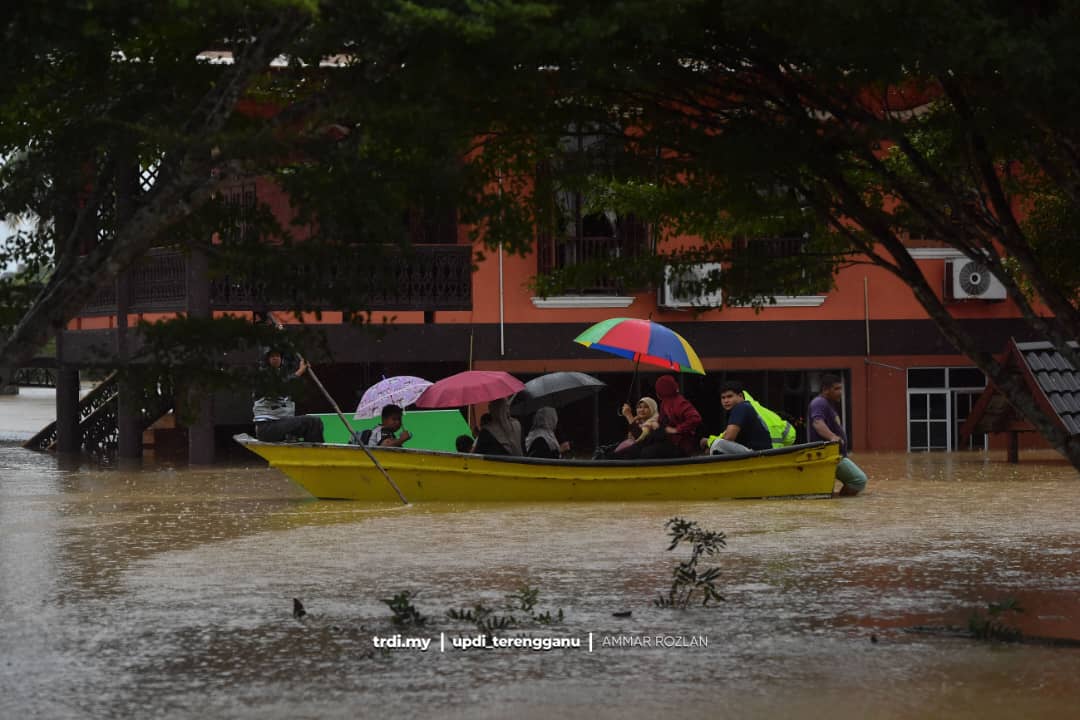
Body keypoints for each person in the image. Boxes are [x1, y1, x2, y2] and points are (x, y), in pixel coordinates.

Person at [807, 374, 868, 496]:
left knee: (827, 489)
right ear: (825, 389)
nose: (840, 392)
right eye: (836, 389)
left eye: (841, 388)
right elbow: (817, 423)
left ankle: (837, 504)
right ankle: (843, 501)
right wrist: (832, 437)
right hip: (828, 454)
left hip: (834, 454)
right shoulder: (819, 403)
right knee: (859, 480)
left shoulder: (828, 404)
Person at [252, 348, 325, 443]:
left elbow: (289, 383)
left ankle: (309, 452)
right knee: (312, 422)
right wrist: (300, 371)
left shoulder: (281, 375)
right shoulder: (263, 376)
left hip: (281, 424)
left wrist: (303, 365)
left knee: (315, 423)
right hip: (268, 427)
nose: (275, 358)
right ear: (266, 360)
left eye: (277, 356)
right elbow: (281, 386)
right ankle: (316, 454)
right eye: (272, 356)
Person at [701, 381, 772, 455]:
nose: (726, 401)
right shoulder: (746, 407)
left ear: (740, 396)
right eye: (723, 398)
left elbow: (729, 437)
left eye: (729, 396)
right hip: (759, 453)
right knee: (713, 447)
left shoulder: (741, 407)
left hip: (756, 454)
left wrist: (708, 441)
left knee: (718, 444)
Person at [641, 375, 702, 459]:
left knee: (647, 453)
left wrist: (677, 429)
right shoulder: (664, 403)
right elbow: (662, 422)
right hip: (667, 442)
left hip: (680, 446)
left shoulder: (680, 402)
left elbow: (695, 418)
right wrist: (655, 424)